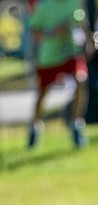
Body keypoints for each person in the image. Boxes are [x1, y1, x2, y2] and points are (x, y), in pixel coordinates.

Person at [26, 0, 94, 148]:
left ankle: (76, 125)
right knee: (42, 94)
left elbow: (81, 23)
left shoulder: (75, 3)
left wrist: (88, 41)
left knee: (81, 80)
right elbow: (33, 33)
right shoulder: (44, 7)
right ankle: (34, 126)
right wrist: (52, 32)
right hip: (49, 57)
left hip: (72, 53)